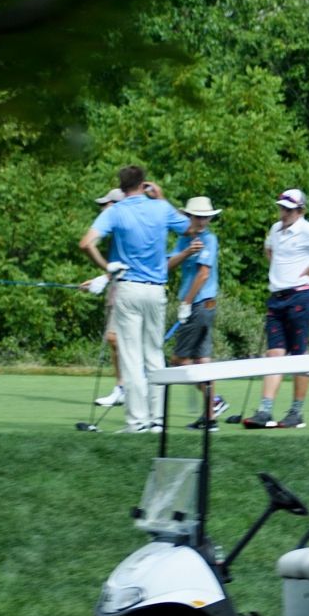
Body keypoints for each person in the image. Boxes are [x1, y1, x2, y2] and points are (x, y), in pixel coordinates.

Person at [78, 165, 190, 433]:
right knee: (154, 355)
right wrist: (161, 198)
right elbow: (187, 228)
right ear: (144, 184)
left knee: (131, 357)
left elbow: (86, 243)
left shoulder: (116, 211)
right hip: (156, 290)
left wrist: (106, 267)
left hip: (128, 288)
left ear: (121, 187)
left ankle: (137, 422)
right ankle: (157, 421)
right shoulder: (160, 208)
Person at [247, 188, 309, 429]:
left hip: (301, 297)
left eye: (289, 210)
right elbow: (268, 249)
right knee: (274, 355)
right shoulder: (275, 229)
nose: (283, 213)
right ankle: (265, 411)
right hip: (277, 297)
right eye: (282, 208)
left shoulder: (308, 230)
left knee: (299, 356)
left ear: (300, 211)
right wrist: (277, 269)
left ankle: (296, 412)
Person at [168, 196, 227, 428]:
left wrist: (186, 303)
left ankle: (215, 401)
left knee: (179, 359)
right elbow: (168, 265)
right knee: (202, 360)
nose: (202, 221)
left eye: (205, 217)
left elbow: (203, 274)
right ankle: (210, 419)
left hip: (200, 304)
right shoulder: (185, 240)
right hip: (200, 304)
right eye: (197, 217)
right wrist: (185, 252)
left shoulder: (209, 239)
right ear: (189, 217)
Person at [87, 187, 128, 408]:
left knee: (114, 338)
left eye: (107, 204)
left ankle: (125, 387)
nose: (103, 209)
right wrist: (100, 279)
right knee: (113, 341)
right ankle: (121, 387)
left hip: (127, 290)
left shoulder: (125, 230)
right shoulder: (116, 235)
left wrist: (103, 279)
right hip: (117, 287)